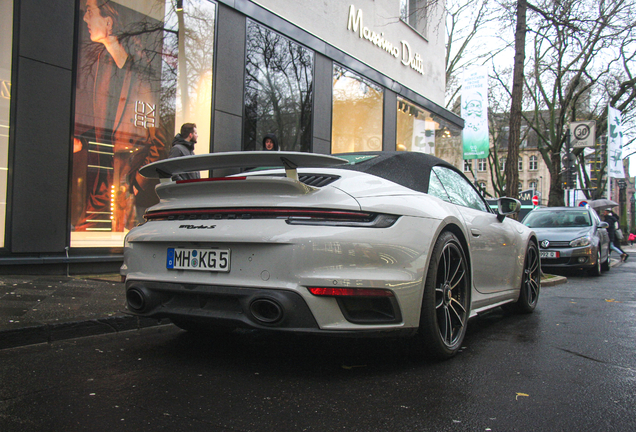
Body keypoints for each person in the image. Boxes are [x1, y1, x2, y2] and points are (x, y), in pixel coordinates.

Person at [73, 0, 165, 230]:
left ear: (108, 22)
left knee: (118, 239)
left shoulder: (141, 76)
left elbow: (158, 141)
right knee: (86, 232)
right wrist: (82, 142)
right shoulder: (102, 66)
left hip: (122, 183)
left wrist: (135, 184)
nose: (85, 17)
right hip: (101, 179)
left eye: (90, 11)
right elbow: (103, 126)